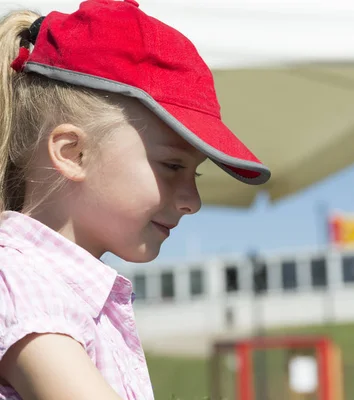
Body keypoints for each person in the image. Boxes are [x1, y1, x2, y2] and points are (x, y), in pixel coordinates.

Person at [0, 0, 270, 399]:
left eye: (194, 173)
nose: (192, 201)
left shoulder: (64, 292)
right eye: (172, 165)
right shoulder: (22, 283)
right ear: (73, 153)